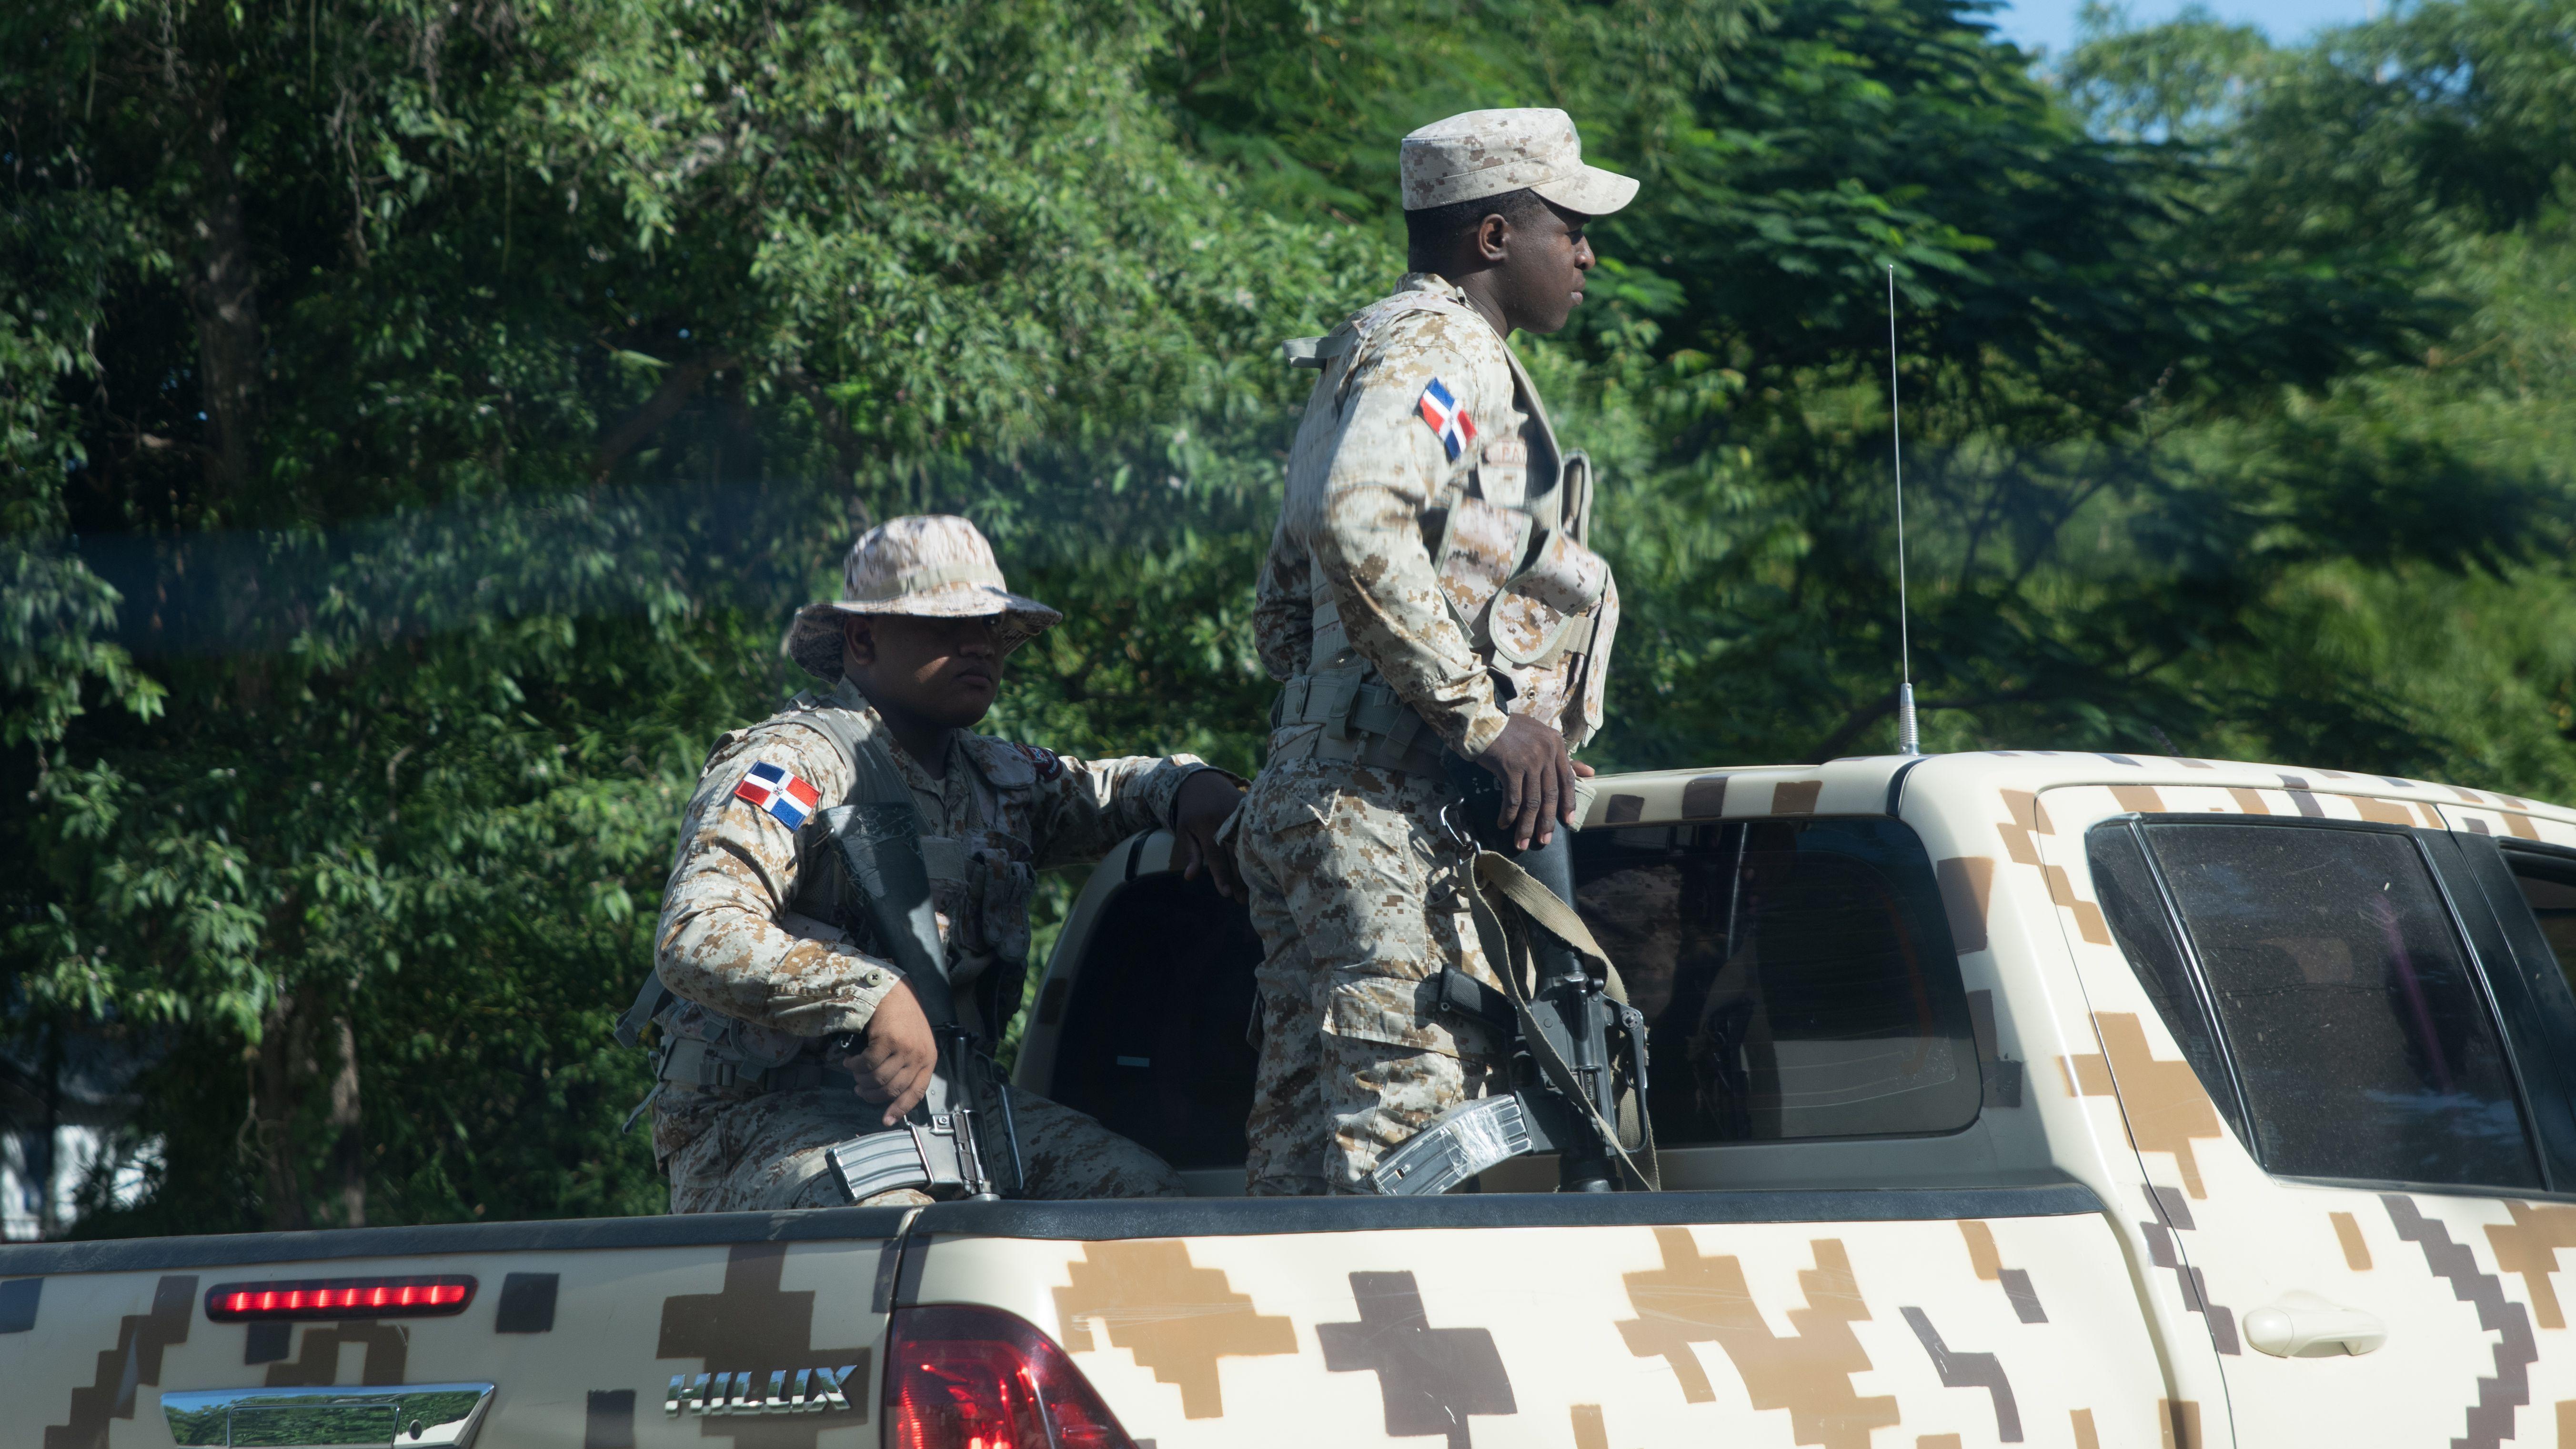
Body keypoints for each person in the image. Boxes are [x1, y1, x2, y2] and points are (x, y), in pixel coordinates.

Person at [1236, 108, 1638, 1194]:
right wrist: (1481, 722)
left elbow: (1283, 611)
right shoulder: (1446, 344)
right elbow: (1358, 523)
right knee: (1405, 1178)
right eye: (1571, 226)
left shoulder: (1365, 349)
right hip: (1381, 814)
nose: (1589, 253)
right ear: (1496, 239)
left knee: (1302, 1167)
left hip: (1318, 791)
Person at [631, 514, 1245, 1210]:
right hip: (762, 1124)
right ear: (863, 638)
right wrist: (870, 994)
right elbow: (697, 931)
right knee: (903, 1233)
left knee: (1145, 1203)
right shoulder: (791, 767)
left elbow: (1116, 791)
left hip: (959, 1112)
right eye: (944, 624)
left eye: (990, 627)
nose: (977, 643)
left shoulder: (999, 779)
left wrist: (1192, 785)